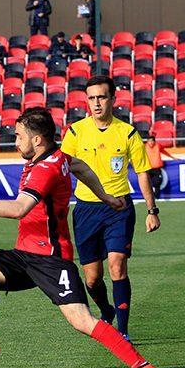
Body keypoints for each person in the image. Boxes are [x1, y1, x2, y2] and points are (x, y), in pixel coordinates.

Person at [0, 107, 164, 368]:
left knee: (82, 320)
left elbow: (19, 209)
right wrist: (106, 197)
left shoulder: (45, 169)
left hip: (50, 261)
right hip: (25, 255)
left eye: (19, 136)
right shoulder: (58, 157)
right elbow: (81, 167)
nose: (15, 142)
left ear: (37, 140)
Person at [61, 75, 160, 341]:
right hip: (86, 210)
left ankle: (123, 331)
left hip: (119, 208)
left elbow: (142, 172)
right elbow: (61, 169)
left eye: (102, 97)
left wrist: (152, 211)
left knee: (117, 266)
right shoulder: (75, 132)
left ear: (113, 99)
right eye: (91, 98)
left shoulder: (127, 132)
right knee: (92, 278)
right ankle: (106, 309)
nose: (96, 103)